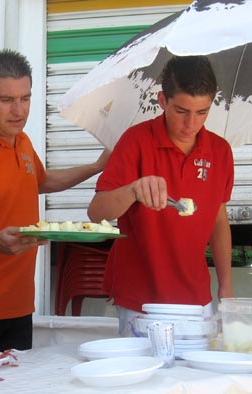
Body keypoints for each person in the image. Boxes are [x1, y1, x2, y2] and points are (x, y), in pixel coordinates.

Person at [0, 49, 110, 352]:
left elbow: (40, 182)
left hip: (19, 305)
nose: (19, 111)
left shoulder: (22, 141)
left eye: (25, 98)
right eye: (6, 100)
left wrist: (96, 167)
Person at [87, 55, 235, 336]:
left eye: (202, 112)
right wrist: (133, 190)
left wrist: (225, 286)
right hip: (141, 300)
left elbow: (218, 219)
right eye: (181, 111)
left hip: (197, 299)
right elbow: (97, 211)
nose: (191, 123)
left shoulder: (220, 151)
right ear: (162, 100)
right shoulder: (136, 141)